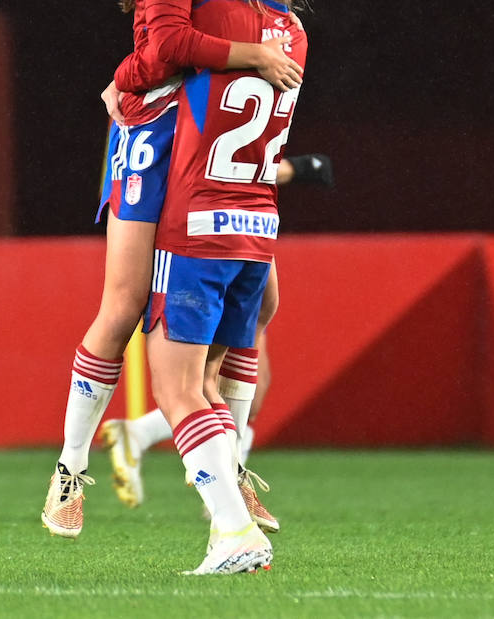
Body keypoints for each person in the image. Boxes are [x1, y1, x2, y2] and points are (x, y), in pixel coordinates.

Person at [42, 0, 300, 541]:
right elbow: (163, 50)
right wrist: (242, 61)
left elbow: (265, 16)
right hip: (151, 135)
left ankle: (231, 458)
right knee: (123, 305)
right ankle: (69, 467)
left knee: (261, 299)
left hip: (209, 137)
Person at [138, 0, 315, 574]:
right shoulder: (295, 36)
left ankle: (233, 527)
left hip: (200, 222)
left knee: (175, 386)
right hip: (258, 228)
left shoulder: (215, 20)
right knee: (212, 375)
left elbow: (168, 39)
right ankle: (232, 499)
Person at [98, 152, 335, 524]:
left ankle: (156, 444)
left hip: (240, 227)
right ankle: (228, 502)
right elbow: (213, 156)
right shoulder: (175, 103)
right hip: (208, 234)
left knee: (237, 390)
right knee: (199, 383)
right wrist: (301, 169)